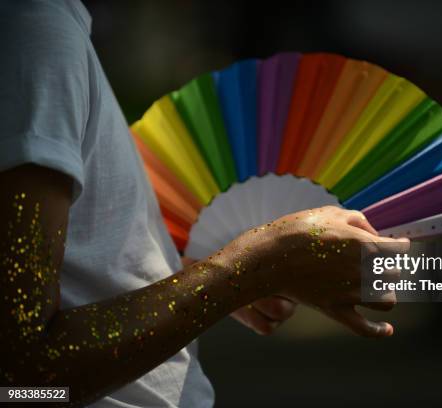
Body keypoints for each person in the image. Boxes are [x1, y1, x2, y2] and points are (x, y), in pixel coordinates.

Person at [0, 1, 407, 406]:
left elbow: (73, 278)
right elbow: (25, 376)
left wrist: (201, 279)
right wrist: (250, 267)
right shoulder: (34, 32)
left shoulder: (38, 27)